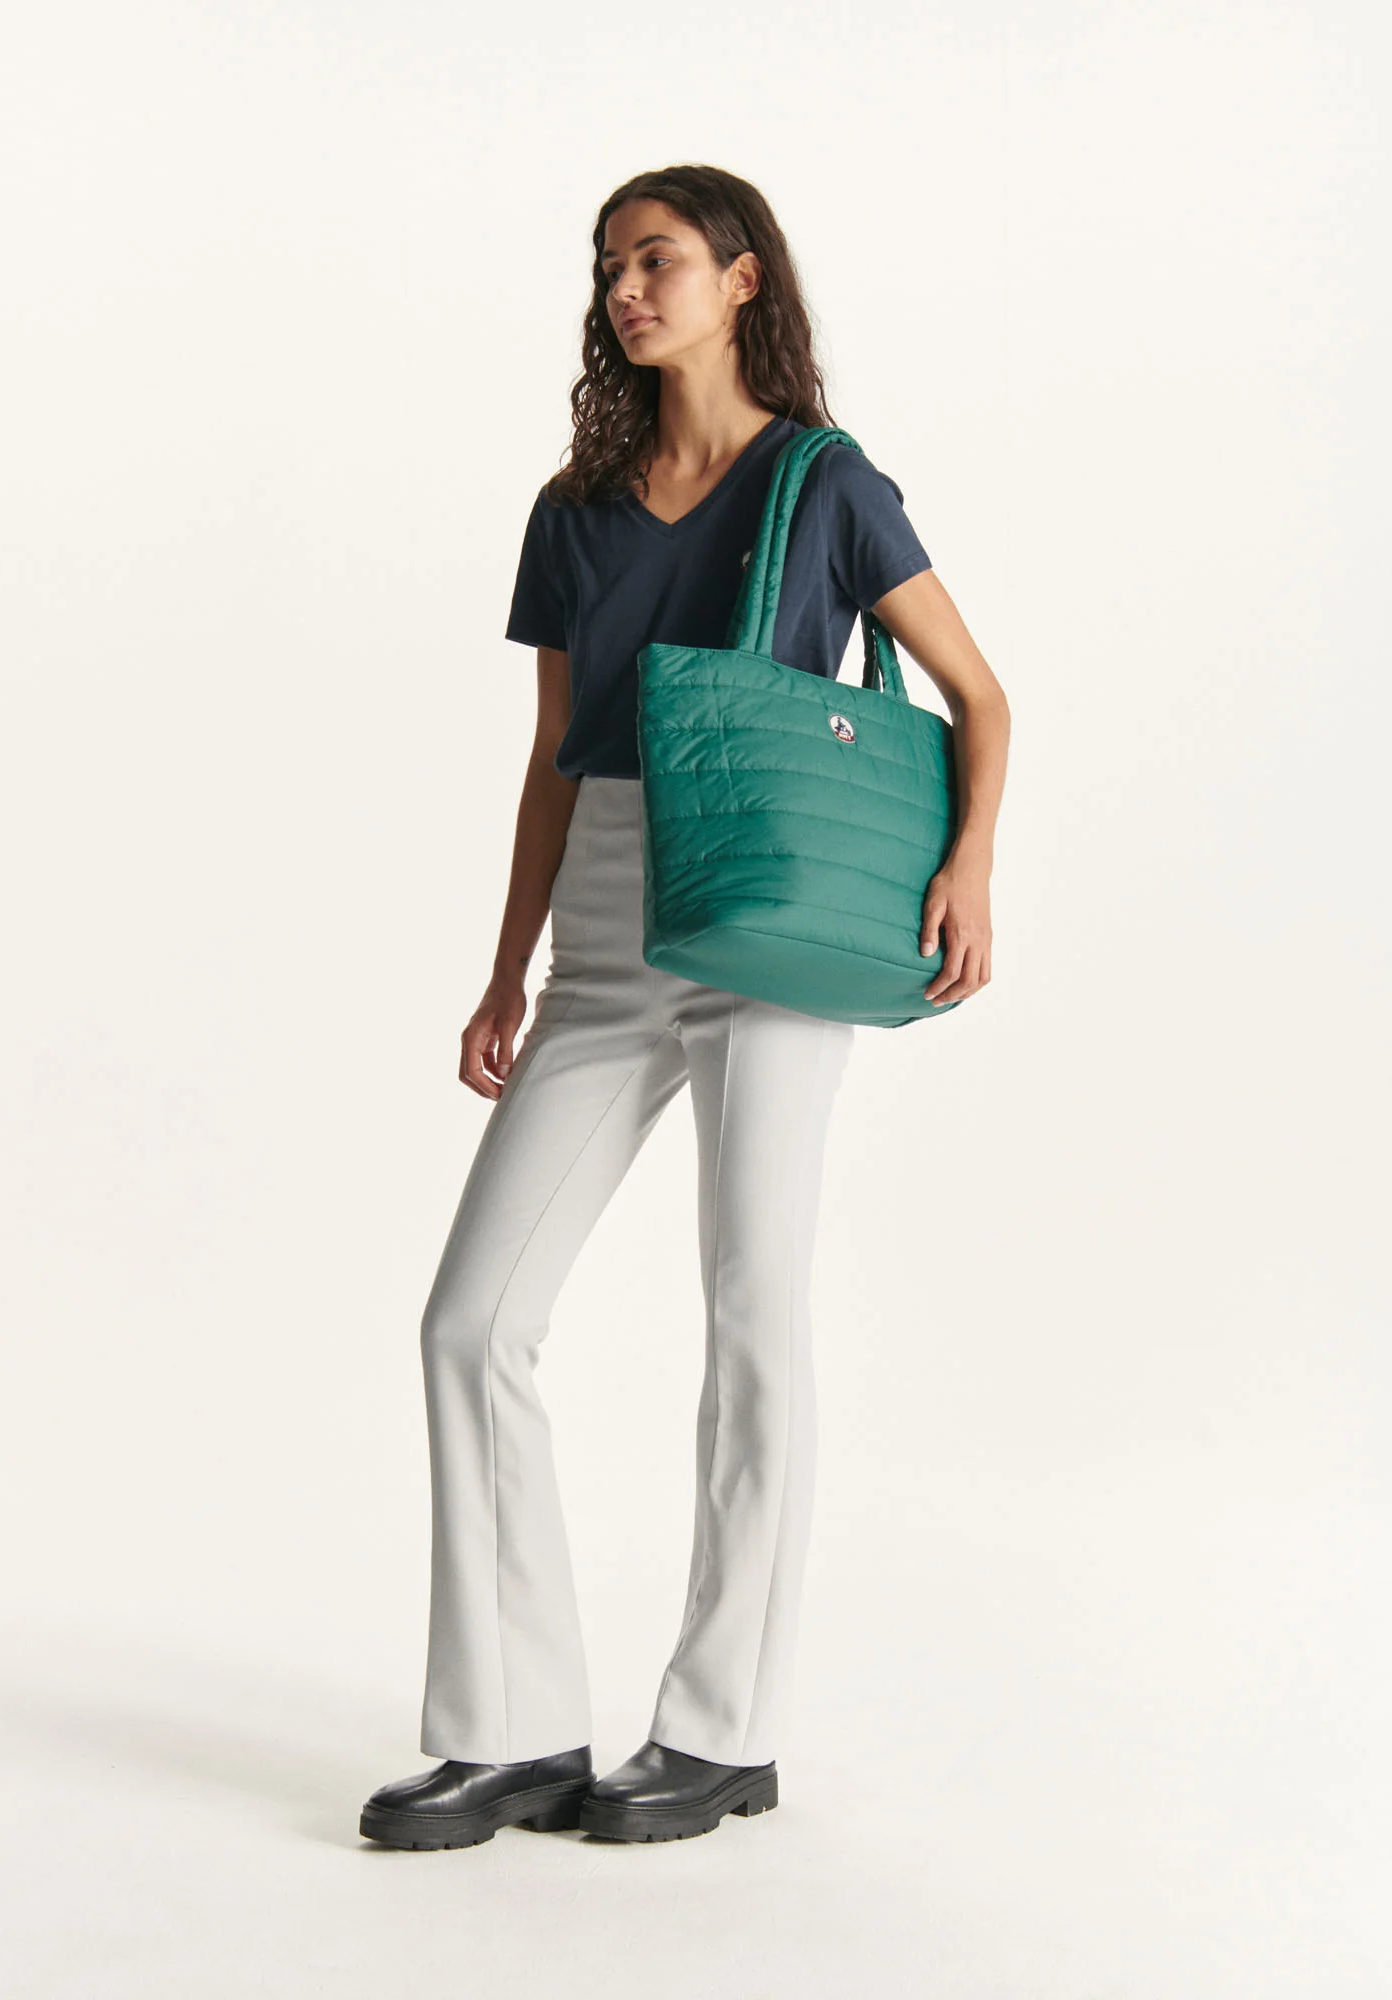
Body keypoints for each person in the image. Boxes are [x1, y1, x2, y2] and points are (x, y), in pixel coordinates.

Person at [359, 164, 1010, 1851]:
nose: (625, 290)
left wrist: (968, 864)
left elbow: (978, 693)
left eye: (654, 259)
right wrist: (508, 964)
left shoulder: (824, 481)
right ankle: (510, 1730)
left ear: (738, 279)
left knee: (750, 1313)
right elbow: (548, 756)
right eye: (608, 269)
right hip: (605, 911)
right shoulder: (572, 509)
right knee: (470, 1322)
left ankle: (722, 1733)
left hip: (769, 900)